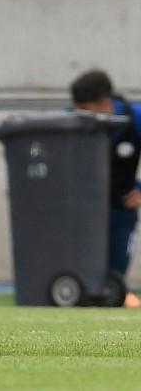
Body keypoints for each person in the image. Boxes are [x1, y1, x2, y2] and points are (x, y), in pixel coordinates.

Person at [70, 69, 141, 296]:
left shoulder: (134, 118)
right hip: (83, 208)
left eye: (86, 110)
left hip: (120, 207)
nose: (81, 116)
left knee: (114, 273)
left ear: (103, 102)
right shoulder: (69, 119)